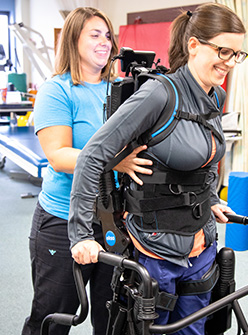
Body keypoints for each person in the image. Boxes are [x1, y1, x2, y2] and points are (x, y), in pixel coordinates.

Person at [68, 3, 247, 335]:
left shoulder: (215, 95)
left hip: (201, 243)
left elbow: (205, 158)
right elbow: (92, 156)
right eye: (224, 50)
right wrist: (79, 235)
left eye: (238, 53)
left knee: (194, 329)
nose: (230, 61)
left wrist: (210, 199)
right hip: (156, 246)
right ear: (194, 45)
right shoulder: (159, 95)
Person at [22, 7, 152, 335]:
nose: (104, 42)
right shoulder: (58, 90)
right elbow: (58, 155)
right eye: (94, 35)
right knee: (53, 314)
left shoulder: (124, 90)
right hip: (62, 219)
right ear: (73, 41)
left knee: (114, 318)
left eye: (108, 35)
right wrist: (115, 161)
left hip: (114, 219)